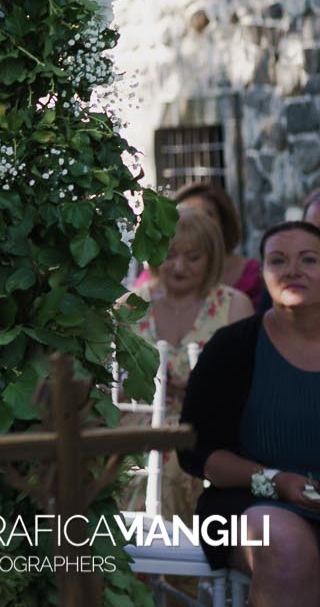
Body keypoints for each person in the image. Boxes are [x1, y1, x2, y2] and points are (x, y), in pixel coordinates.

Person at [178, 221, 320, 605]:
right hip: (248, 503)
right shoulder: (232, 347)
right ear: (264, 273)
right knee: (287, 547)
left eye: (309, 259)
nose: (292, 270)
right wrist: (275, 481)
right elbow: (196, 452)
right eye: (278, 260)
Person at [125, 204, 251, 517]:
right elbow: (107, 384)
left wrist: (199, 390)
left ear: (212, 258)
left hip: (211, 435)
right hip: (138, 438)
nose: (179, 267)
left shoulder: (234, 306)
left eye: (193, 257)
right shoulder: (128, 306)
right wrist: (143, 387)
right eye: (169, 255)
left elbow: (249, 385)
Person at [175, 181, 267, 312]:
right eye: (188, 213)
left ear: (224, 222)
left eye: (207, 215)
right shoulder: (158, 275)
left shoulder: (254, 276)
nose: (197, 223)